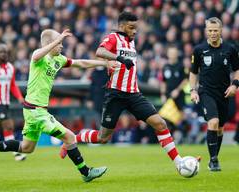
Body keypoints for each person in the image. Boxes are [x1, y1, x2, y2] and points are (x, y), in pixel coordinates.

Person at [60, 11, 200, 172]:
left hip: (134, 94)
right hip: (115, 94)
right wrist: (119, 58)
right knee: (102, 137)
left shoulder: (131, 41)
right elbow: (100, 52)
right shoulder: (113, 37)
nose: (134, 31)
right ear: (121, 26)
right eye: (131, 27)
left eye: (136, 28)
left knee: (160, 124)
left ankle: (179, 163)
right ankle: (72, 139)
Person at [0, 28, 118, 182]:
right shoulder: (39, 57)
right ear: (49, 43)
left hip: (33, 110)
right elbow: (36, 55)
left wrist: (104, 63)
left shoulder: (58, 59)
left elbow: (80, 62)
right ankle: (86, 172)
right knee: (70, 137)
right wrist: (58, 38)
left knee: (27, 148)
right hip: (36, 111)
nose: (62, 46)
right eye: (60, 43)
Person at [189, 17, 239, 171]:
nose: (213, 33)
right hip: (206, 92)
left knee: (220, 128)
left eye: (215, 30)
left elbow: (237, 70)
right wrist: (193, 90)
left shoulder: (230, 49)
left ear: (221, 30)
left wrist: (234, 86)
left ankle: (213, 160)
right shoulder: (199, 50)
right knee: (213, 122)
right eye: (210, 30)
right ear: (206, 31)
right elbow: (193, 72)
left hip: (224, 94)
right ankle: (214, 160)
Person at [0, 44, 26, 163]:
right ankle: (16, 153)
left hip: (5, 101)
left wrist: (19, 97)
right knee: (8, 125)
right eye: (1, 52)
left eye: (5, 52)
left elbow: (12, 85)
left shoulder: (11, 68)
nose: (4, 54)